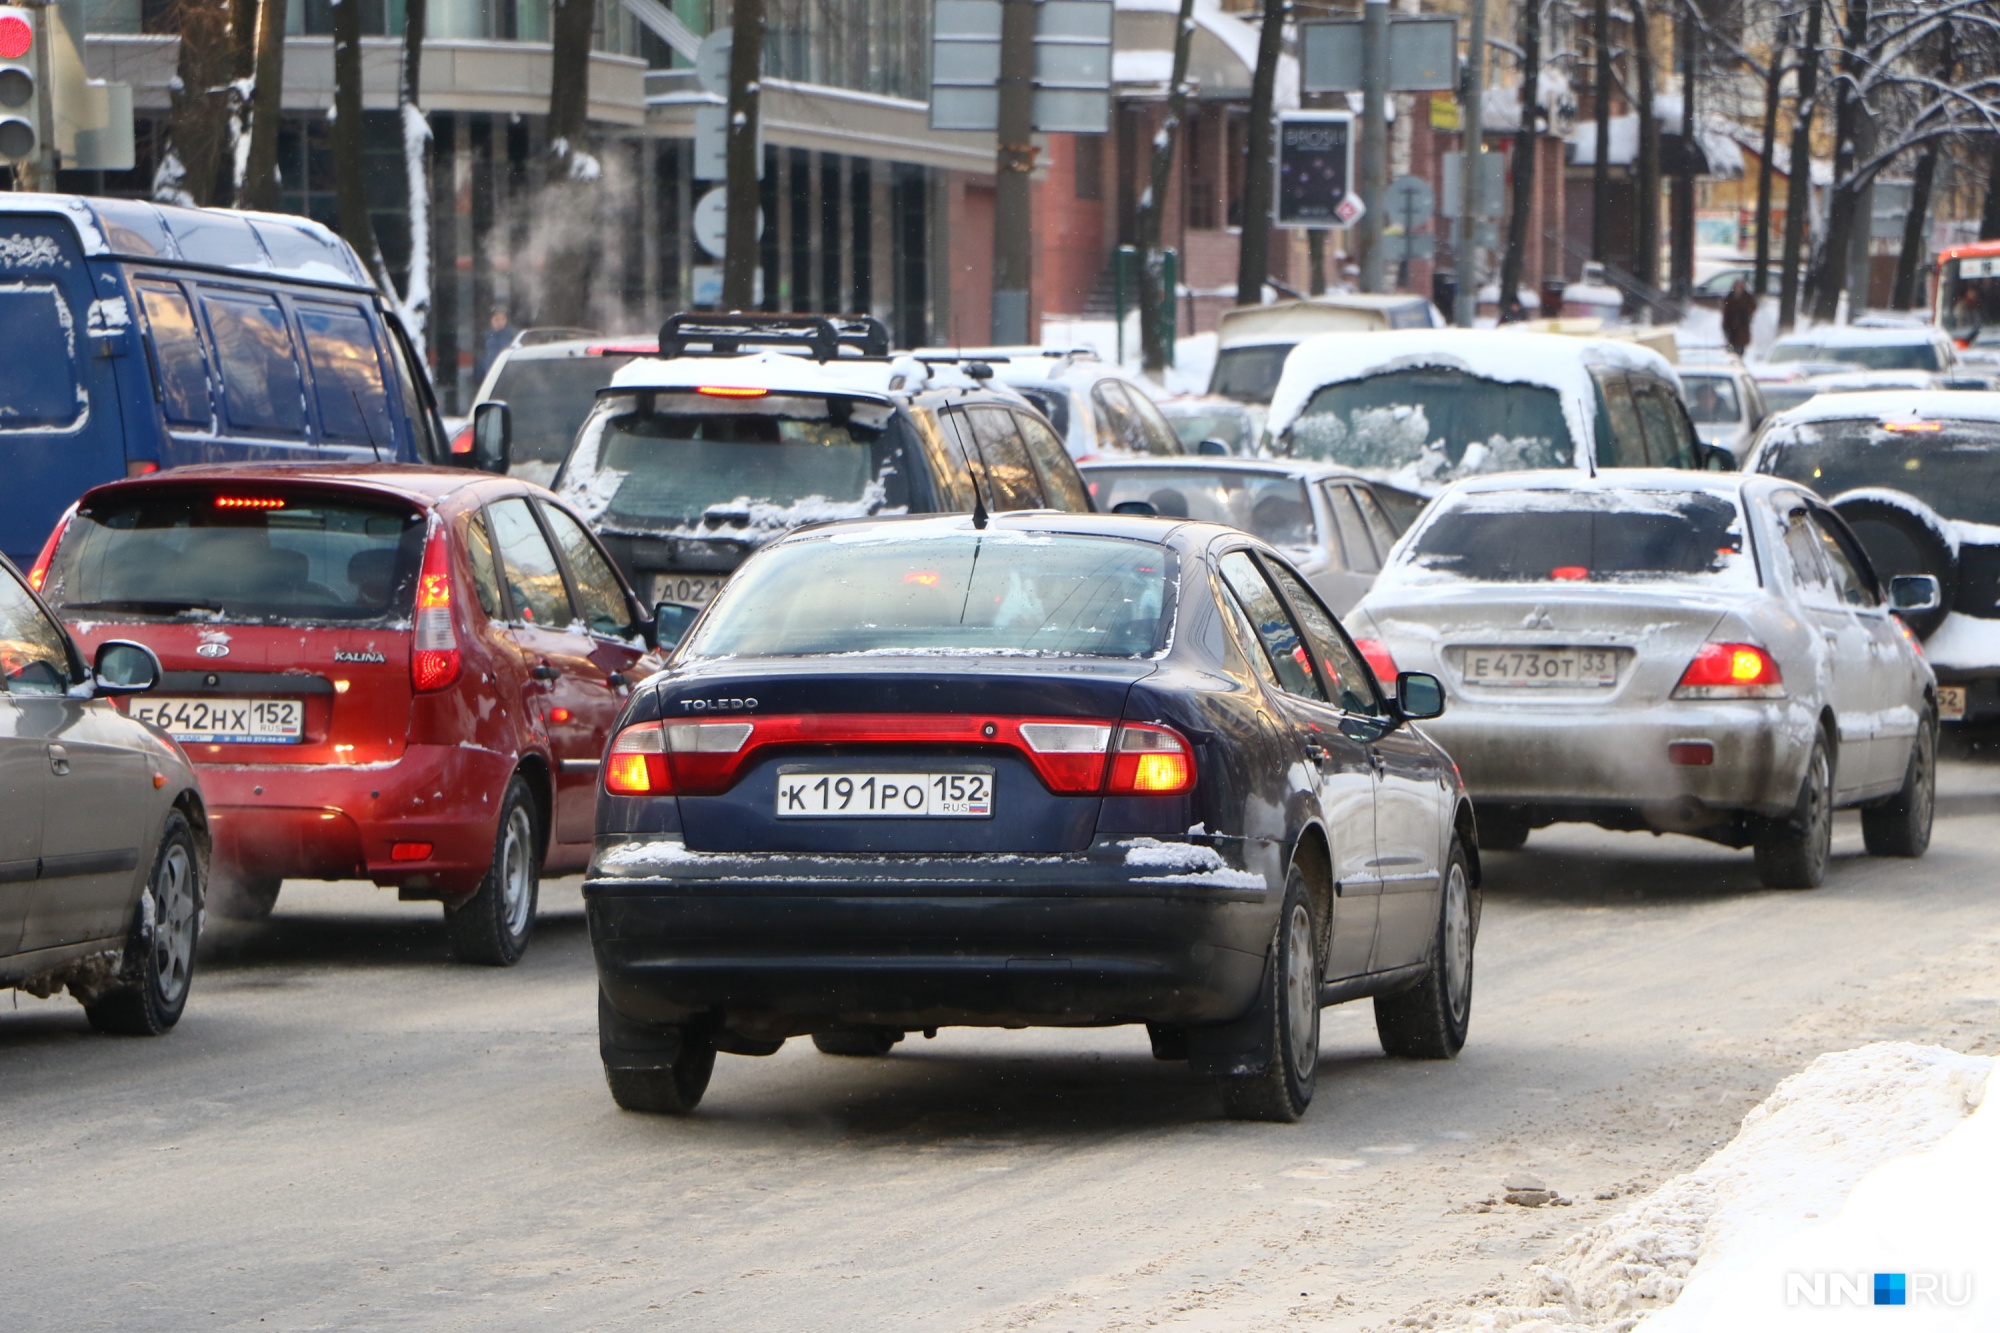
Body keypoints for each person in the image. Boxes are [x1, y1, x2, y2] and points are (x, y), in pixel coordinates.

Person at [477, 306, 517, 381]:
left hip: (507, 376)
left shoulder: (513, 335)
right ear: (491, 320)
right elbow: (481, 358)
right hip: (489, 376)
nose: (500, 322)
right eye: (497, 319)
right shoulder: (486, 336)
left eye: (503, 319)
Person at [1721, 279, 1756, 359]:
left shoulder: (1747, 297)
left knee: (1740, 346)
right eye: (1736, 286)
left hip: (1742, 325)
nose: (1738, 288)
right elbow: (1726, 312)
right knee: (1732, 346)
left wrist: (1745, 313)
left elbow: (1752, 308)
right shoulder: (1729, 298)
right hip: (1731, 326)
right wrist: (1726, 326)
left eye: (1739, 286)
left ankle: (1739, 357)